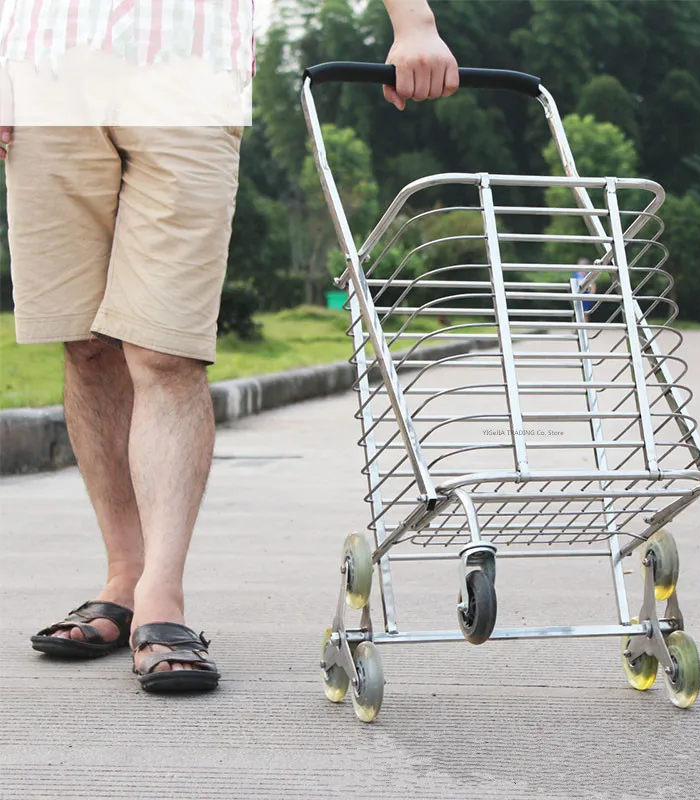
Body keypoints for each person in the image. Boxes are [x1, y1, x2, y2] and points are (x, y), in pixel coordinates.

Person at [0, 0, 459, 694]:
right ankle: (122, 581)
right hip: (39, 67)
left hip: (185, 63)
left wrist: (413, 22)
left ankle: (162, 598)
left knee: (165, 351)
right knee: (85, 346)